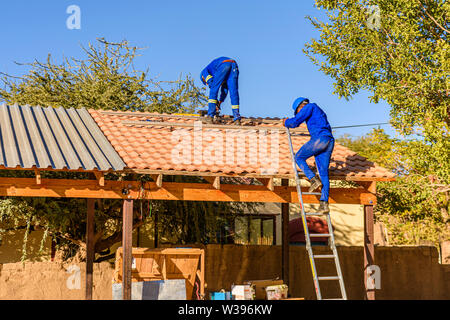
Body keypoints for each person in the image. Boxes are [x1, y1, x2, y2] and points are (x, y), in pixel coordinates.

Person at [283, 97, 335, 213]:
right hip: (329, 140)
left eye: (298, 111)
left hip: (320, 139)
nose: (299, 113)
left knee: (299, 157)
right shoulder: (318, 110)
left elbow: (295, 121)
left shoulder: (309, 107)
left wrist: (286, 122)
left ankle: (312, 179)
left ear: (300, 107)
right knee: (323, 173)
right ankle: (324, 204)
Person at [200, 57, 241, 124]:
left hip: (224, 64)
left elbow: (211, 83)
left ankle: (210, 116)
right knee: (234, 92)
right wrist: (220, 102)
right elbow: (225, 89)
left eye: (205, 83)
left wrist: (214, 103)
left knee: (213, 88)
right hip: (234, 65)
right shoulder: (218, 73)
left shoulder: (203, 73)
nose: (207, 84)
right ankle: (237, 119)